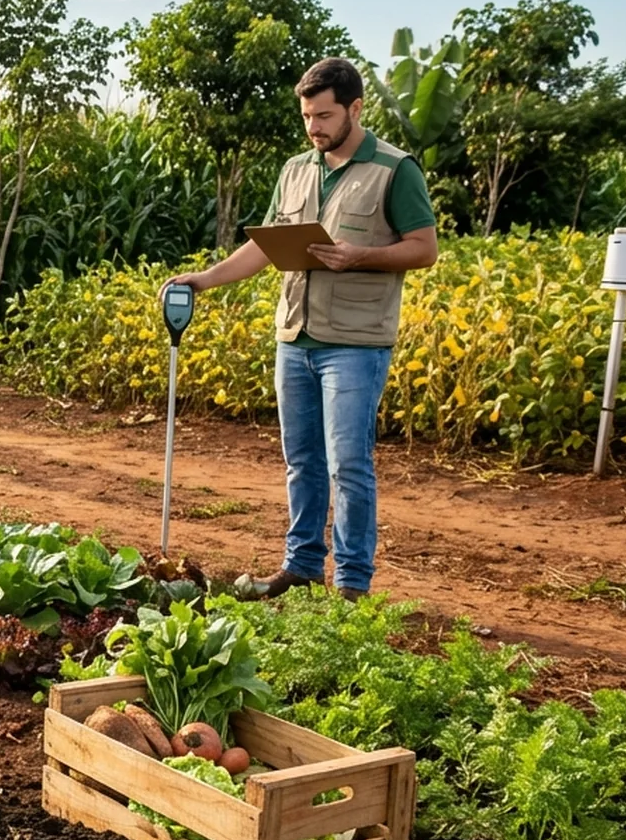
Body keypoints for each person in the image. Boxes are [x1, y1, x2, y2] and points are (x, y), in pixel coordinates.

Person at [164, 57, 438, 599]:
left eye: (324, 116)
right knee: (302, 461)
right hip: (295, 338)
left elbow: (424, 249)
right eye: (307, 116)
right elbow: (267, 245)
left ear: (355, 109)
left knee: (349, 466)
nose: (314, 127)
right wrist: (205, 279)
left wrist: (358, 255)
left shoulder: (394, 169)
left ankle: (353, 585)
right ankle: (302, 566)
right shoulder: (296, 169)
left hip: (354, 345)